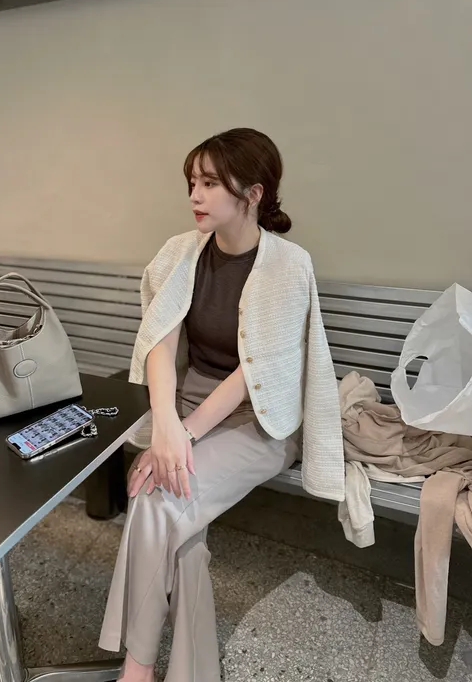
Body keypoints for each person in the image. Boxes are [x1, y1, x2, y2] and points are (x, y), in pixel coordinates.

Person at [99, 127, 345, 682]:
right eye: (193, 182)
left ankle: (136, 669)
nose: (195, 196)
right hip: (186, 406)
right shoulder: (180, 252)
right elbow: (159, 343)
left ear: (253, 193)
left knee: (156, 501)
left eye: (210, 183)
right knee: (176, 528)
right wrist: (166, 425)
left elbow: (252, 374)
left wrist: (181, 435)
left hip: (260, 419)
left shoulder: (288, 265)